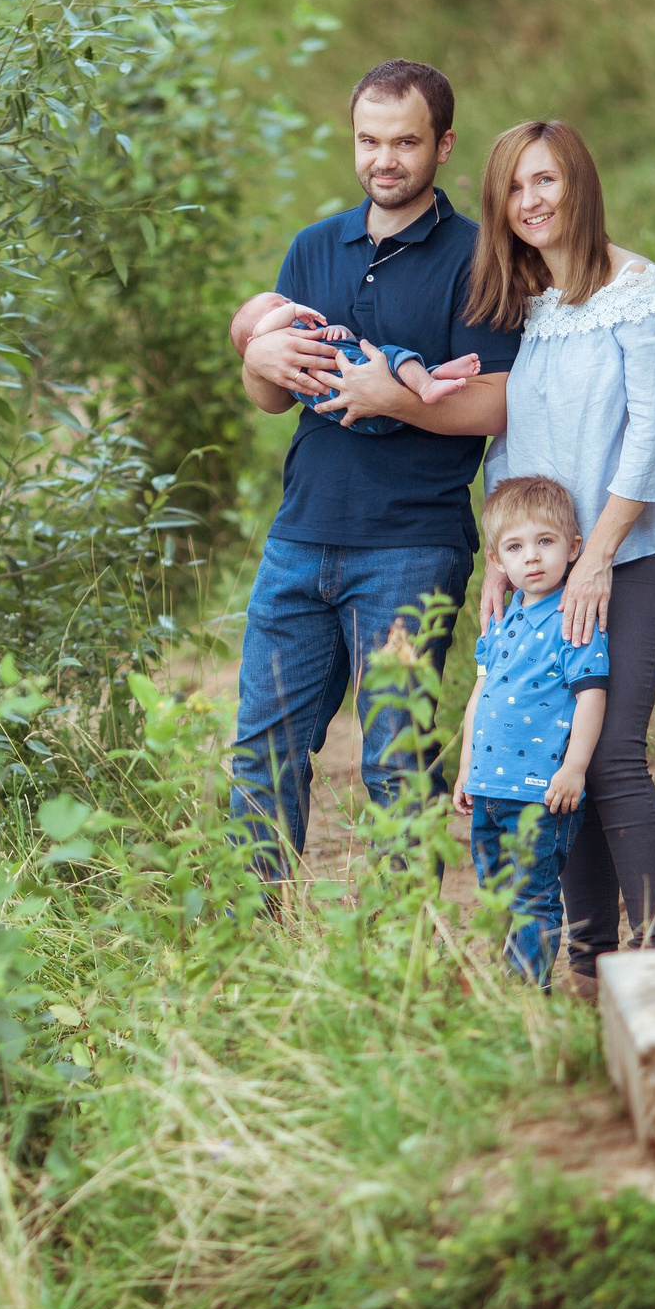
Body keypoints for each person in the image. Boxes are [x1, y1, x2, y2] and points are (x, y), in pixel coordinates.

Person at [227, 60, 522, 900]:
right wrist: (259, 358)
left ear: (443, 145)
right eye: (368, 140)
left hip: (409, 545)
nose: (383, 159)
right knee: (262, 749)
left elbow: (497, 400)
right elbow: (268, 396)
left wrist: (397, 397)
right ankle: (259, 934)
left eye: (404, 141)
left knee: (395, 754)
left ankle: (402, 953)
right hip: (299, 536)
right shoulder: (314, 247)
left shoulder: (478, 256)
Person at [469, 118, 655, 997]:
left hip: (634, 550)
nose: (531, 202)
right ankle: (589, 967)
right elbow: (512, 444)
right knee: (551, 759)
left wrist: (599, 554)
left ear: (579, 183)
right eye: (513, 187)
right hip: (547, 563)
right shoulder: (526, 308)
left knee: (611, 751)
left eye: (546, 181)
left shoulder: (641, 291)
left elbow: (653, 438)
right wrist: (500, 558)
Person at [450, 475, 608, 988]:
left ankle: (525, 999)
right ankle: (506, 989)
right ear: (498, 561)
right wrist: (465, 768)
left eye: (545, 541)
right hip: (489, 786)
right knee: (497, 894)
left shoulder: (573, 618)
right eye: (516, 547)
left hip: (540, 791)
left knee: (532, 897)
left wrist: (575, 768)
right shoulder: (500, 622)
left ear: (574, 548)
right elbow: (480, 699)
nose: (532, 557)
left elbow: (590, 694)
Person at [238, 298, 482, 436]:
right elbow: (260, 335)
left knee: (394, 373)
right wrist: (287, 312)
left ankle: (434, 375)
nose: (287, 303)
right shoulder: (269, 340)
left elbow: (347, 344)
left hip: (367, 420)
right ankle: (429, 382)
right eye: (275, 306)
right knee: (390, 356)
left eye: (285, 302)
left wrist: (339, 332)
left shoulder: (306, 332)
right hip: (352, 404)